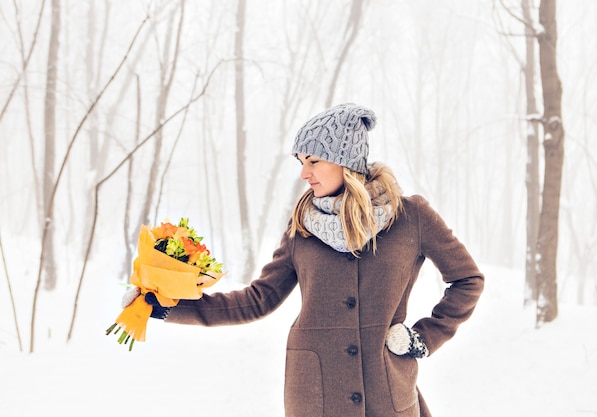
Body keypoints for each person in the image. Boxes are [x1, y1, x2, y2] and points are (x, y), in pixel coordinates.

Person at [127, 103, 484, 417]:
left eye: (314, 160)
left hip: (386, 391)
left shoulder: (410, 217)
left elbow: (467, 279)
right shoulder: (302, 227)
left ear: (346, 161)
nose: (304, 173)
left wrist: (422, 337)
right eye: (301, 162)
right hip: (315, 395)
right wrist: (164, 306)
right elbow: (258, 300)